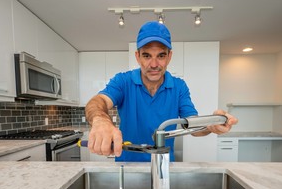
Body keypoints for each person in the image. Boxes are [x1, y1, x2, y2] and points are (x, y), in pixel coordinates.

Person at [85, 21, 238, 162]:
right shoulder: (123, 81)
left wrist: (211, 126)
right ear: (138, 57)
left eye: (161, 56)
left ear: (169, 56)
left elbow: (192, 125)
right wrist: (100, 120)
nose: (154, 64)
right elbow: (98, 101)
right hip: (127, 166)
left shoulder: (179, 87)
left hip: (163, 167)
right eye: (146, 56)